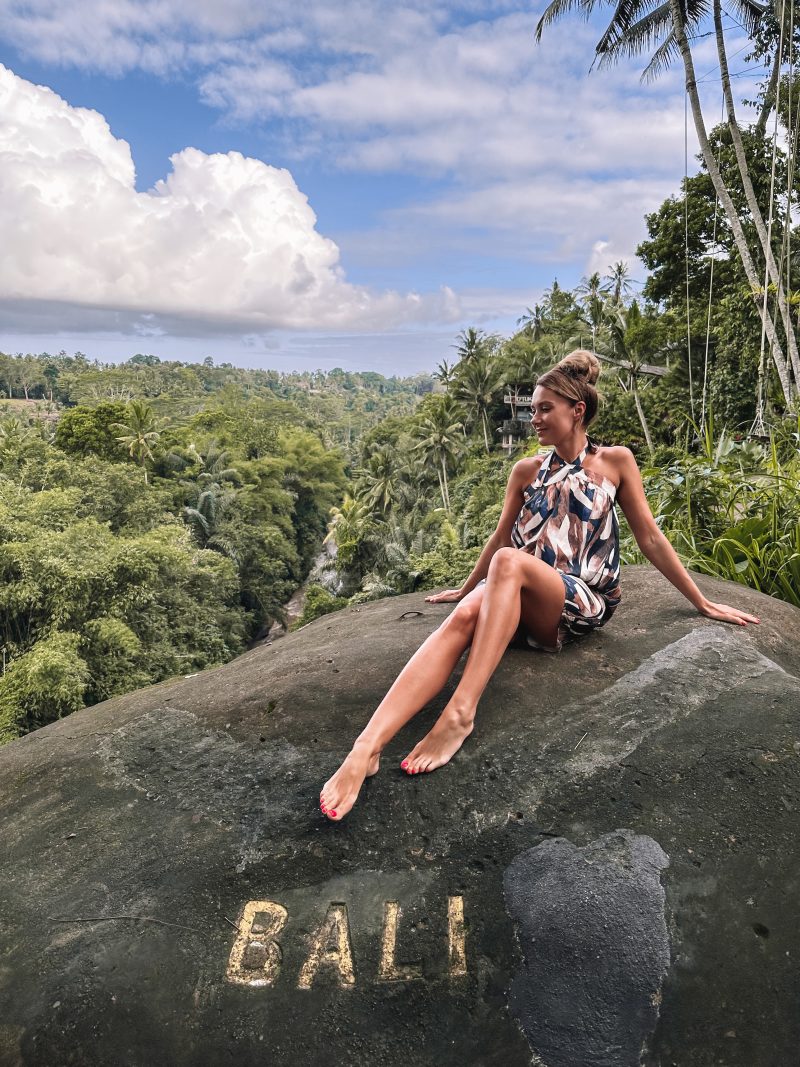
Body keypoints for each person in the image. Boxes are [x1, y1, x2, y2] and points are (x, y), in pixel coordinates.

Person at [319, 350, 760, 821]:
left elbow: (649, 537)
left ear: (578, 411)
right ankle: (366, 747)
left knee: (507, 566)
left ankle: (460, 712)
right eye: (533, 409)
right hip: (519, 596)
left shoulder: (615, 463)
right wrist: (463, 589)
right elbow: (500, 537)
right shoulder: (527, 471)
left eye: (545, 409)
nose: (535, 419)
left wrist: (702, 600)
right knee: (469, 610)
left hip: (579, 601)